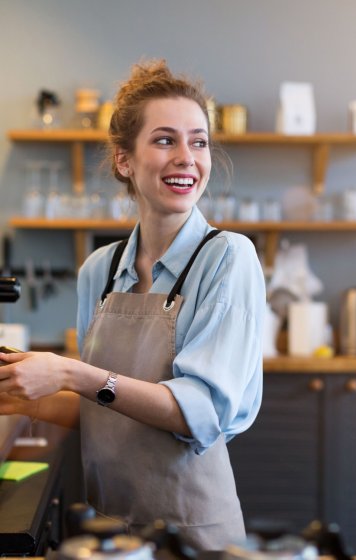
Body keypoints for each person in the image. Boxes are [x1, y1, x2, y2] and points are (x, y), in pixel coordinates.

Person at [0, 59, 265, 550]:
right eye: (165, 140)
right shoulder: (99, 269)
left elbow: (199, 414)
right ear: (124, 160)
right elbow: (103, 409)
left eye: (199, 141)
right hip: (106, 530)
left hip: (190, 534)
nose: (187, 156)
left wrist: (70, 374)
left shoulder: (228, 258)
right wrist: (21, 395)